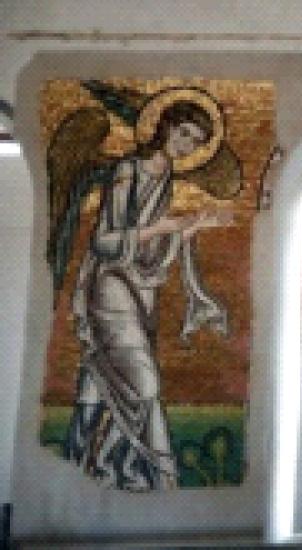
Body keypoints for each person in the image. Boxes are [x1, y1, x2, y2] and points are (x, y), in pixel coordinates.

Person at [63, 98, 231, 491]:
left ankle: (85, 469)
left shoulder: (166, 176)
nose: (187, 145)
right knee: (144, 384)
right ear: (165, 126)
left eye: (196, 141)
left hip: (141, 290)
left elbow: (151, 250)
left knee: (101, 380)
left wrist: (192, 227)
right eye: (184, 133)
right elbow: (105, 242)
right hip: (110, 287)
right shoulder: (128, 170)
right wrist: (165, 227)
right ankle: (153, 473)